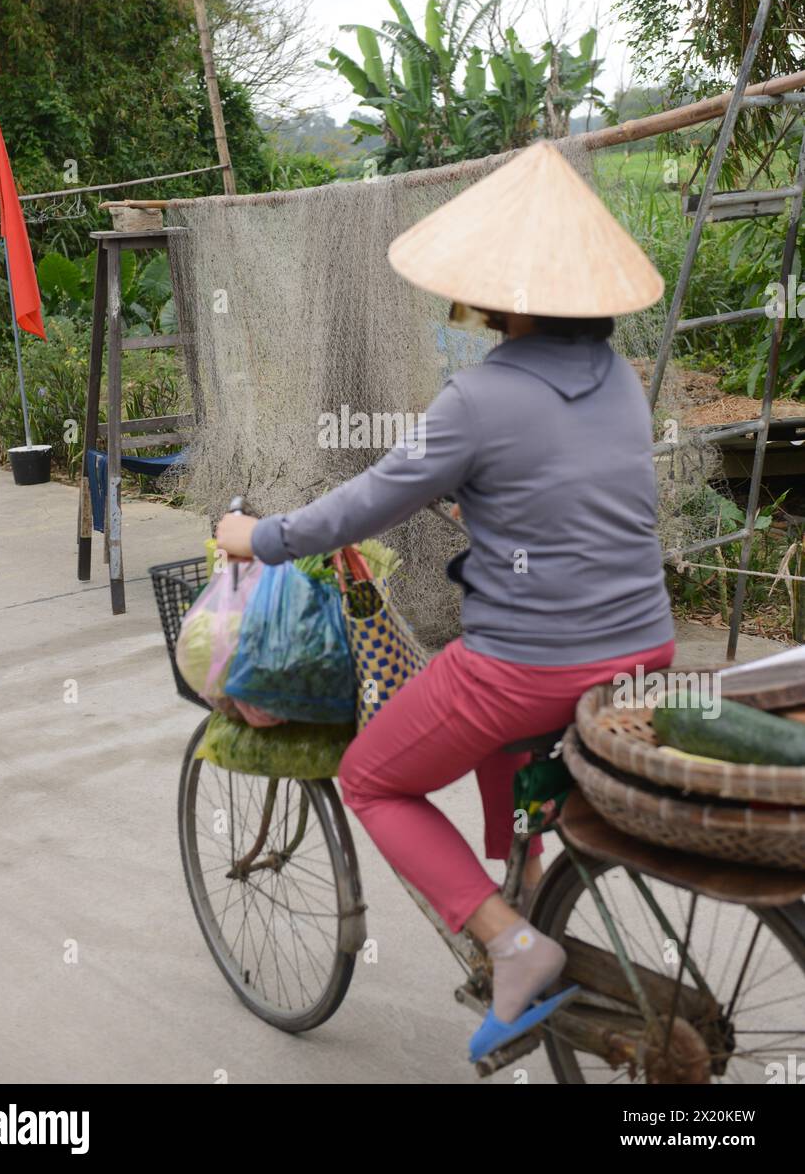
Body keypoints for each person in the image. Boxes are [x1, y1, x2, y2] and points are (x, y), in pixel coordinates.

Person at [215, 141, 675, 1060]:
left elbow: (361, 504)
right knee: (496, 743)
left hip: (531, 666)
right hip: (641, 649)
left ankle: (515, 944)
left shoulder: (480, 395)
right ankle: (531, 868)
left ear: (499, 296)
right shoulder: (618, 380)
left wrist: (258, 537)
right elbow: (572, 486)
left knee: (373, 778)